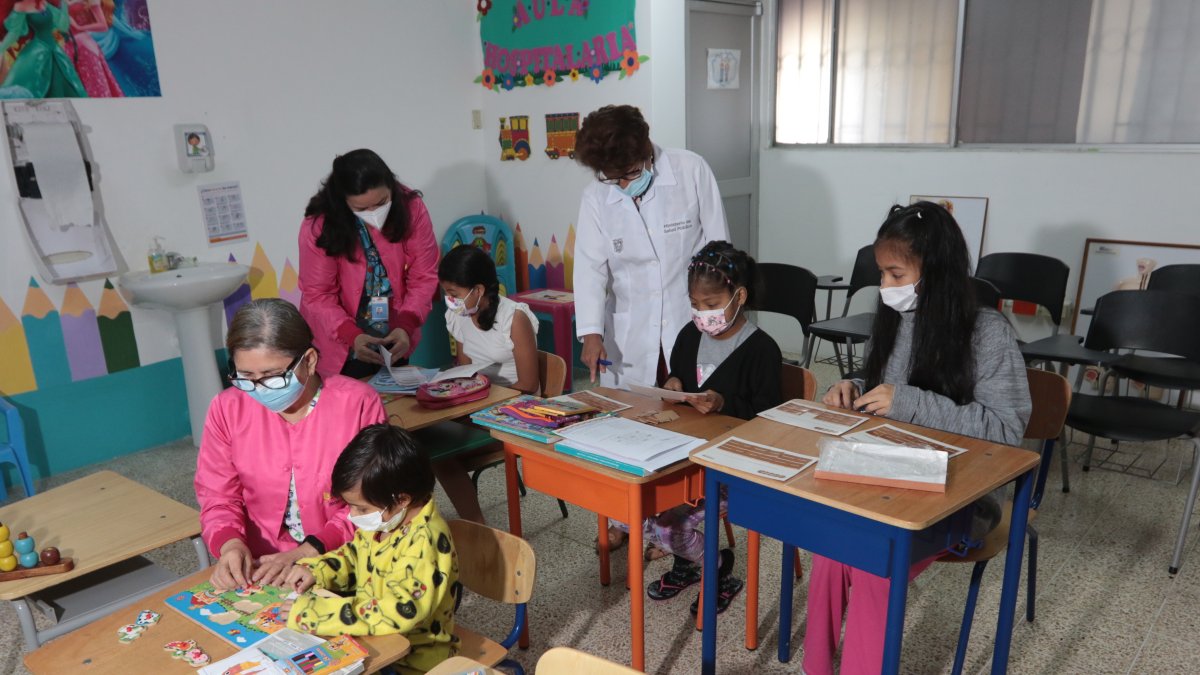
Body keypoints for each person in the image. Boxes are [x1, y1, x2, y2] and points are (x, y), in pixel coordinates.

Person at [803, 202, 1031, 675]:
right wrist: (857, 390)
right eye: (881, 274)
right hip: (885, 479)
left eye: (895, 273)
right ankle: (817, 669)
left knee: (872, 566)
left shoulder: (987, 334)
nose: (885, 287)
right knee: (828, 550)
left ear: (938, 272)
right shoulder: (894, 318)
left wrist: (906, 401)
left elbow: (1007, 433)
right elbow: (886, 388)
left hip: (960, 496)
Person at [613, 241, 783, 615]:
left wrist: (724, 404)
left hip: (731, 469)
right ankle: (687, 560)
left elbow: (769, 419)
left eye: (710, 305)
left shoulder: (762, 350)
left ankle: (717, 567)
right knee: (622, 506)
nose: (702, 314)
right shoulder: (689, 336)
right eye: (695, 304)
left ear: (739, 296)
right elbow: (680, 379)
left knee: (668, 524)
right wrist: (674, 385)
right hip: (681, 455)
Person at [195, 299, 387, 591]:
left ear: (309, 361)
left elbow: (373, 500)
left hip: (343, 558)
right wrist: (231, 544)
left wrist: (308, 552)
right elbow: (218, 496)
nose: (258, 389)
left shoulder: (358, 403)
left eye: (272, 377)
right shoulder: (227, 408)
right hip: (263, 567)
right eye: (246, 377)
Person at [572, 104, 729, 389]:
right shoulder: (595, 197)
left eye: (629, 173)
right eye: (611, 177)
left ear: (646, 153)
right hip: (630, 331)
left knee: (696, 409)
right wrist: (591, 333)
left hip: (688, 317)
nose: (621, 184)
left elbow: (720, 252)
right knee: (631, 416)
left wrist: (719, 317)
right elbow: (589, 269)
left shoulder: (691, 170)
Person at [283, 424, 457, 674]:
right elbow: (355, 555)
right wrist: (319, 571)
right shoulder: (388, 517)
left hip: (413, 661)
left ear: (402, 499)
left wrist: (317, 613)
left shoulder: (426, 542)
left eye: (361, 509)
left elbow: (400, 612)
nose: (353, 516)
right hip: (374, 639)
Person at [299, 149, 439, 379]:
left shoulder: (411, 208)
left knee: (397, 406)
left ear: (391, 186)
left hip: (395, 331)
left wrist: (406, 325)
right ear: (343, 203)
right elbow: (317, 294)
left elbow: (424, 275)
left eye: (382, 202)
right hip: (340, 339)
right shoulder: (320, 226)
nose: (374, 213)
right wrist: (350, 334)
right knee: (354, 406)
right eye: (362, 209)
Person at [432, 243, 540, 523]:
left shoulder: (514, 318)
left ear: (478, 290)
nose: (449, 300)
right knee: (423, 444)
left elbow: (528, 384)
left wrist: (482, 398)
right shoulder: (459, 315)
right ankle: (462, 523)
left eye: (453, 294)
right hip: (480, 403)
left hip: (517, 409)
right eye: (446, 293)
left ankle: (476, 525)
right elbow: (465, 369)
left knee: (439, 452)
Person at [0, 0, 88, 98]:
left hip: (55, 50)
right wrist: (1, 48)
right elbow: (14, 33)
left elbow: (63, 26)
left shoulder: (46, 4)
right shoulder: (22, 5)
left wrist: (63, 5)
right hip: (37, 51)